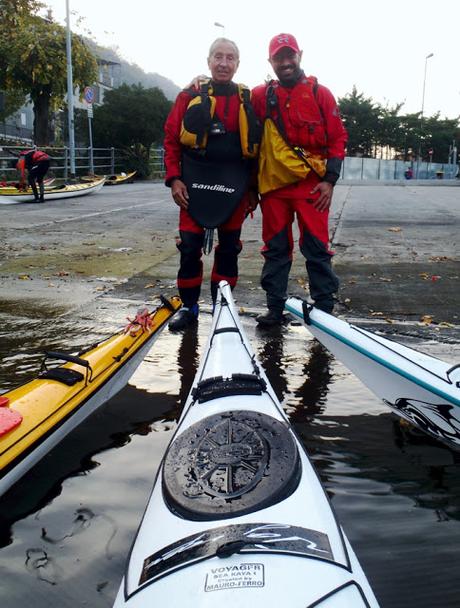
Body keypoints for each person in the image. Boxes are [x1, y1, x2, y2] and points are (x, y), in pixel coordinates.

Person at [251, 33, 348, 326]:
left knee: (317, 248)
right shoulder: (260, 95)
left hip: (312, 187)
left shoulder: (321, 93)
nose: (285, 62)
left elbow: (337, 138)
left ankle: (325, 310)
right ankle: (274, 308)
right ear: (270, 62)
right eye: (278, 57)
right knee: (276, 248)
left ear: (299, 55)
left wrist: (330, 181)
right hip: (275, 188)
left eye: (289, 55)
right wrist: (198, 83)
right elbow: (228, 93)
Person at [163, 38, 260, 331]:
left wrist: (253, 189)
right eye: (218, 57)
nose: (223, 63)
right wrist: (173, 179)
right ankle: (190, 308)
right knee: (189, 247)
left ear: (238, 64)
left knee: (229, 249)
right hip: (194, 181)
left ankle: (222, 309)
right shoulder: (188, 95)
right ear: (208, 61)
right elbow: (170, 139)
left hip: (234, 185)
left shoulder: (248, 99)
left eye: (230, 58)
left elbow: (258, 146)